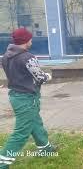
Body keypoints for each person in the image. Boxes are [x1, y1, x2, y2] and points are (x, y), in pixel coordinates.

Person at [0, 28, 54, 169]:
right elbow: (40, 77)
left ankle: (45, 149)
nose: (31, 40)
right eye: (30, 38)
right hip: (27, 98)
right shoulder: (28, 57)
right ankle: (3, 161)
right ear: (26, 41)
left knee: (35, 122)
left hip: (15, 95)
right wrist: (48, 75)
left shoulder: (6, 56)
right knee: (21, 132)